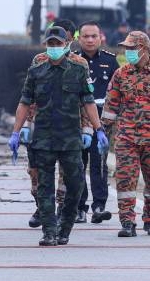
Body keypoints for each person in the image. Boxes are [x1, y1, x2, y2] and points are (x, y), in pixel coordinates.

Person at [9, 26, 107, 246]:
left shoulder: (78, 70)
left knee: (76, 185)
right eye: (50, 44)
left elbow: (88, 102)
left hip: (71, 139)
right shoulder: (36, 71)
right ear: (46, 45)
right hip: (43, 139)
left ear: (67, 45)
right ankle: (49, 231)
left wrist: (97, 128)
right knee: (45, 188)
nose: (54, 48)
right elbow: (25, 102)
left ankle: (65, 228)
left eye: (58, 44)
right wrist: (17, 131)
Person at [102, 31, 150, 237]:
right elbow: (111, 105)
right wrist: (103, 132)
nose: (128, 52)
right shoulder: (121, 74)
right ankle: (127, 222)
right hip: (127, 137)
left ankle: (148, 219)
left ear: (144, 49)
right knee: (125, 180)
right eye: (126, 48)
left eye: (132, 48)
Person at [74, 20, 117, 224]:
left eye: (94, 36)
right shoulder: (71, 60)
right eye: (86, 36)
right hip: (77, 120)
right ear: (78, 38)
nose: (90, 40)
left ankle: (99, 206)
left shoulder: (111, 61)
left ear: (101, 38)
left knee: (99, 164)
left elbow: (118, 93)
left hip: (102, 121)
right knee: (77, 164)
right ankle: (79, 207)